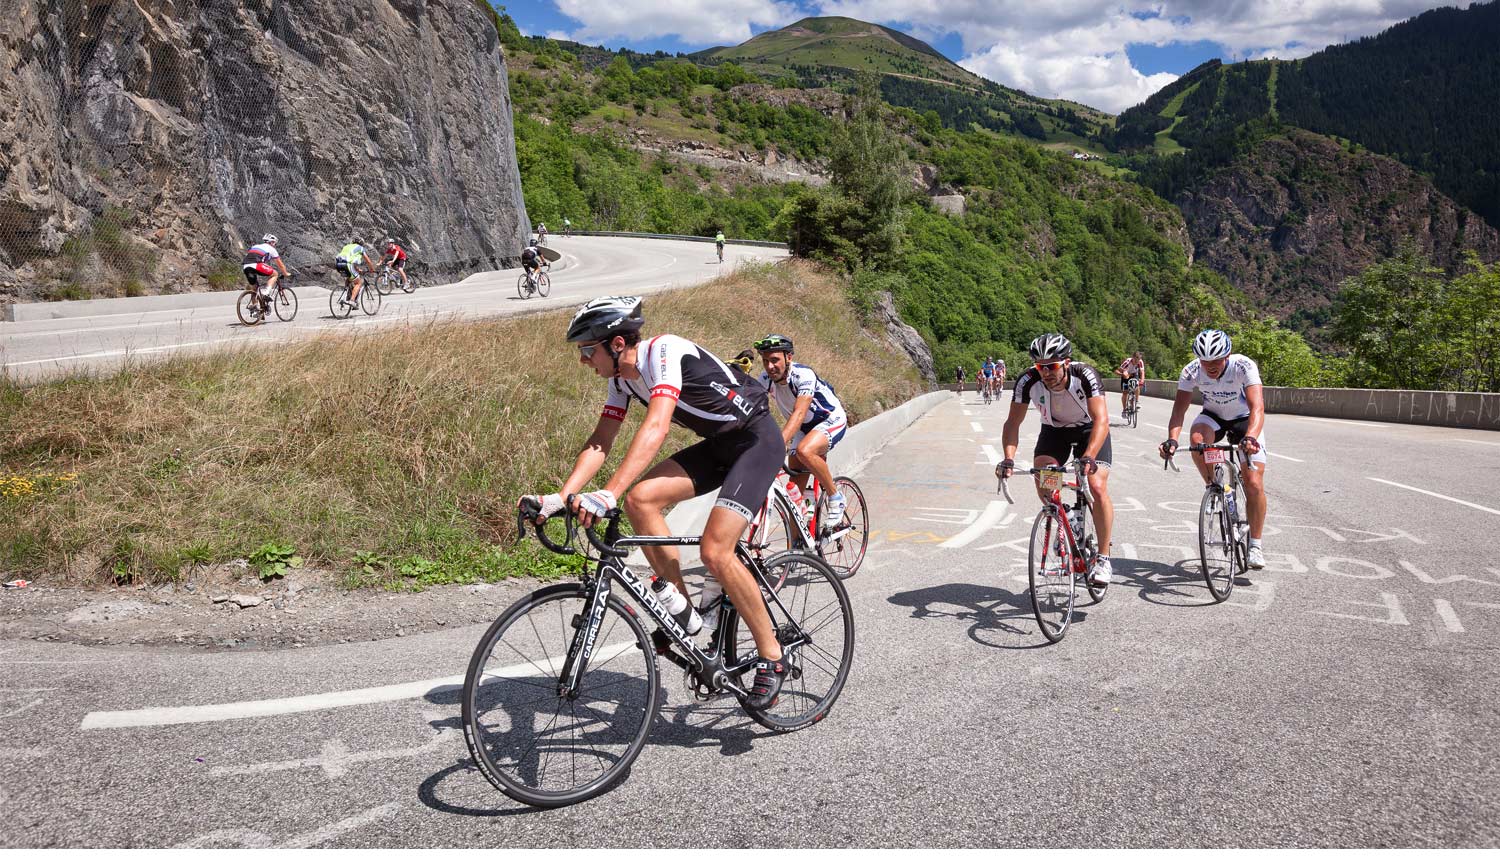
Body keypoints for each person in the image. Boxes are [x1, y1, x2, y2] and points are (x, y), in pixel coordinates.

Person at [520, 296, 790, 709]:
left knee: (715, 551)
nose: (583, 360)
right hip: (719, 445)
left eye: (587, 350)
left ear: (615, 344)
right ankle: (682, 616)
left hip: (756, 441)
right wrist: (561, 496)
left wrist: (607, 493)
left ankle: (772, 656)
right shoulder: (621, 380)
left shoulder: (663, 352)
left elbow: (658, 424)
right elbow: (600, 441)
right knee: (641, 500)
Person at [996, 333, 1116, 586]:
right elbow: (1013, 422)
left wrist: (1088, 456)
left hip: (1090, 430)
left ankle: (1104, 558)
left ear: (1066, 363)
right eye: (1041, 367)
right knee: (1045, 479)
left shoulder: (1085, 375)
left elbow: (1102, 420)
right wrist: (1008, 458)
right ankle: (1067, 517)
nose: (1046, 372)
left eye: (1052, 366)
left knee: (1095, 485)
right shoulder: (1027, 380)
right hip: (1054, 431)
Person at [1158, 329, 1268, 570]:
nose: (1210, 366)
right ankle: (1214, 485)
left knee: (1254, 483)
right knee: (1198, 439)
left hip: (1244, 419)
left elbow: (1257, 407)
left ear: (1227, 355)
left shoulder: (1243, 366)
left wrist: (1250, 437)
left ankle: (1256, 545)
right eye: (1204, 361)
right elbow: (1179, 411)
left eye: (1216, 360)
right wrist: (1172, 440)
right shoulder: (1191, 370)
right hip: (1214, 417)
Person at [754, 334, 849, 523]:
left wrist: (778, 445)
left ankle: (836, 498)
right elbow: (754, 411)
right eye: (765, 361)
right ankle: (800, 546)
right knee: (794, 503)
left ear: (788, 357)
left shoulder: (803, 375)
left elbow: (799, 413)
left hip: (830, 419)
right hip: (804, 428)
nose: (770, 366)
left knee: (805, 451)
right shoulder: (765, 379)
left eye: (775, 360)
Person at [241, 234, 291, 311]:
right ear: (271, 242)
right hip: (256, 265)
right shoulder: (271, 249)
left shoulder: (255, 246)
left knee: (254, 289)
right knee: (275, 274)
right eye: (274, 243)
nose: (275, 245)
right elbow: (280, 264)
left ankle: (255, 308)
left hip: (246, 266)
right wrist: (285, 273)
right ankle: (266, 292)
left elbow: (254, 256)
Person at [334, 238, 374, 309]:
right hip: (347, 264)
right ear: (361, 244)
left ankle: (344, 297)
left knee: (349, 278)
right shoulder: (360, 248)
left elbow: (350, 260)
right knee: (358, 282)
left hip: (338, 264)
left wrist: (358, 269)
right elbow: (368, 261)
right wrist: (372, 269)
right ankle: (352, 301)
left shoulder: (347, 246)